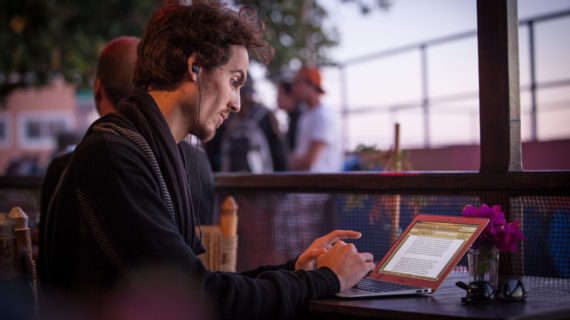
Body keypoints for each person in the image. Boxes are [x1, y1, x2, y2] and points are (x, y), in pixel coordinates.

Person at [39, 2, 374, 319]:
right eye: (234, 81)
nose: (237, 103)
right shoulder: (114, 156)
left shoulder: (146, 148)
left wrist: (296, 269)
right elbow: (201, 299)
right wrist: (326, 279)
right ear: (195, 66)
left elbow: (198, 284)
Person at [217, 74, 289, 172]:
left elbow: (212, 155)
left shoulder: (224, 118)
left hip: (229, 183)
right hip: (261, 183)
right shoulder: (266, 116)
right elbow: (281, 157)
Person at [289, 66, 343, 172]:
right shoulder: (307, 115)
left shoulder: (322, 114)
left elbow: (311, 159)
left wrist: (289, 162)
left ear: (312, 86)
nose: (294, 88)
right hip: (310, 182)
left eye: (298, 83)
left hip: (322, 184)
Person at [276, 78, 302, 151]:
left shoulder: (299, 120)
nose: (277, 98)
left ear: (291, 95)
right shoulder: (293, 118)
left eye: (280, 94)